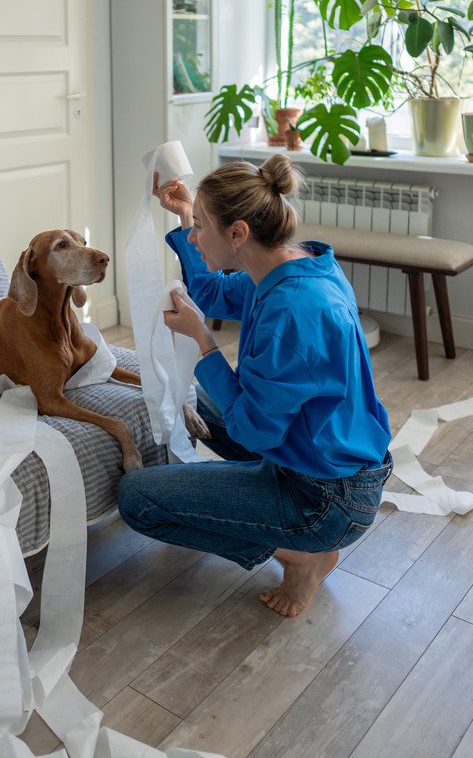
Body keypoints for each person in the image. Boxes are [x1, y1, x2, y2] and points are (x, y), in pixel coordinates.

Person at [116, 154, 393, 618]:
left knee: (138, 499)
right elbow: (214, 293)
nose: (194, 237)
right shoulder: (293, 269)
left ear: (238, 234)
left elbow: (252, 430)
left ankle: (302, 553)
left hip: (326, 500)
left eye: (202, 226)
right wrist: (188, 214)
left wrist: (204, 341)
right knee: (200, 399)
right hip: (324, 459)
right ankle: (294, 534)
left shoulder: (292, 312)